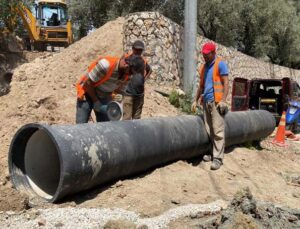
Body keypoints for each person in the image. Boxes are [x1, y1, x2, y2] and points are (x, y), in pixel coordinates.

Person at [192, 42, 229, 170]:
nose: (205, 57)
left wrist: (223, 100)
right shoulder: (204, 67)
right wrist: (195, 100)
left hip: (217, 103)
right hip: (206, 102)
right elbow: (201, 86)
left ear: (213, 53)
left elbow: (226, 82)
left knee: (218, 130)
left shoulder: (220, 64)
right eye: (203, 54)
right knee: (209, 130)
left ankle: (218, 158)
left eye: (207, 54)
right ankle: (211, 153)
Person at [75, 55, 144, 123]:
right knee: (81, 124)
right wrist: (95, 101)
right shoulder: (106, 65)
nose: (130, 75)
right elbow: (87, 84)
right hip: (87, 91)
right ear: (126, 64)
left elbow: (119, 91)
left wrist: (118, 97)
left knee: (105, 125)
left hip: (104, 94)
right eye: (130, 72)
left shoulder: (128, 75)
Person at [122, 40, 152, 120]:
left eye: (140, 50)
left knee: (137, 119)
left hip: (140, 94)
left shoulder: (143, 61)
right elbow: (119, 71)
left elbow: (150, 70)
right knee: (126, 120)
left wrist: (144, 80)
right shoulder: (126, 59)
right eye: (137, 49)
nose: (138, 51)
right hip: (128, 94)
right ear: (133, 49)